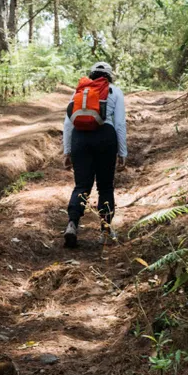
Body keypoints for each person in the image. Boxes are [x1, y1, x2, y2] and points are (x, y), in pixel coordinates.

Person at [62, 61, 127, 248]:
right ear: (109, 76)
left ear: (91, 75)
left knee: (81, 185)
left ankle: (72, 224)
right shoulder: (115, 92)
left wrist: (67, 150)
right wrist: (122, 152)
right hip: (106, 137)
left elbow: (68, 123)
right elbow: (120, 124)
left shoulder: (79, 91)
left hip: (80, 138)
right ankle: (105, 231)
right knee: (105, 186)